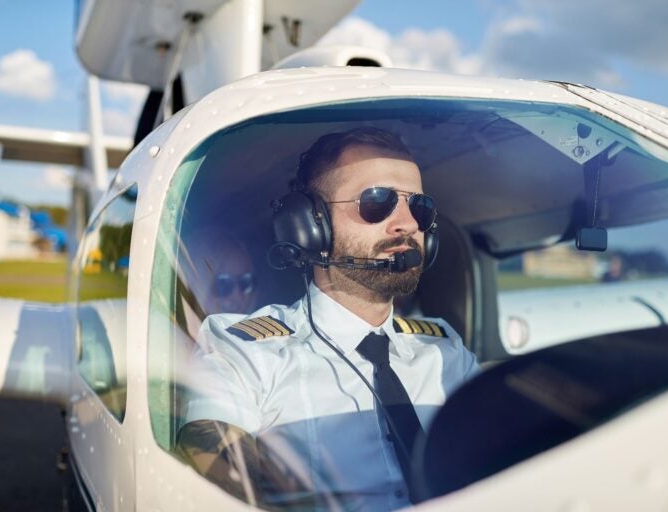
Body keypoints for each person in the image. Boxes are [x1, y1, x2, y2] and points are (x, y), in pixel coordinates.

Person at [175, 127, 479, 510]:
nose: (408, 224)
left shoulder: (446, 350)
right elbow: (214, 475)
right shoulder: (243, 351)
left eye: (418, 207)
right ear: (309, 227)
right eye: (377, 202)